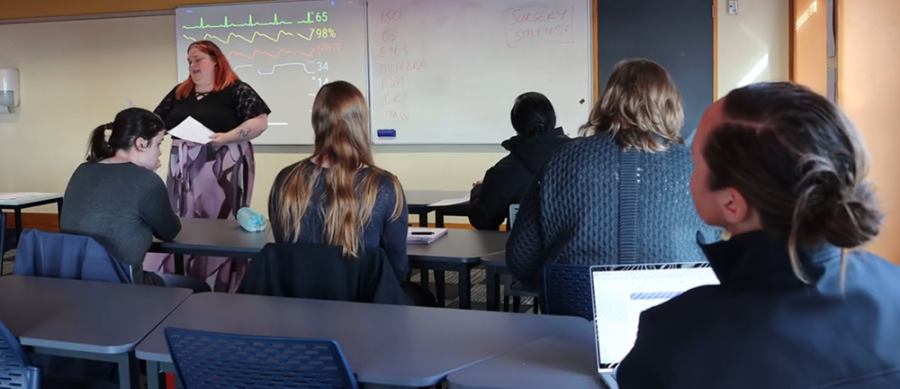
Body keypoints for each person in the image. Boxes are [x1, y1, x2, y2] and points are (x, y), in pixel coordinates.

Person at [615, 82, 900, 388]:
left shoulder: (676, 338)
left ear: (731, 203)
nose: (690, 172)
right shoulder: (894, 287)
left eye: (695, 162)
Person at [505, 58, 715, 288]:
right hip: (671, 311)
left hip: (574, 311)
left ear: (608, 101)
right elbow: (721, 257)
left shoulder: (560, 161)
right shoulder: (694, 168)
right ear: (669, 105)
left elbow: (521, 259)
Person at [268, 80, 437, 307]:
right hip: (366, 311)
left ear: (317, 122)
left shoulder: (285, 180)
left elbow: (286, 252)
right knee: (425, 299)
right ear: (360, 122)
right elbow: (396, 268)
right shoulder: (384, 186)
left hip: (299, 307)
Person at [149, 40, 271, 292]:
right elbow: (156, 121)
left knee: (220, 221)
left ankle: (222, 284)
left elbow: (259, 121)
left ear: (216, 61)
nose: (193, 65)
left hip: (224, 163)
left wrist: (228, 136)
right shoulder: (180, 92)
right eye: (189, 61)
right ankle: (183, 281)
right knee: (182, 220)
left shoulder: (235, 89)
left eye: (198, 59)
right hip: (183, 166)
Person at [60, 108, 210, 292]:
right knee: (200, 288)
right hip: (123, 287)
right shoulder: (145, 181)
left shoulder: (82, 171)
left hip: (72, 283)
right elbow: (169, 231)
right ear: (141, 143)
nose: (160, 153)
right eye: (158, 144)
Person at [468, 92, 573, 230]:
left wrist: (478, 189)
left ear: (515, 123)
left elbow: (482, 220)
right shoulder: (579, 155)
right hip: (579, 248)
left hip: (523, 250)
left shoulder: (504, 171)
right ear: (552, 119)